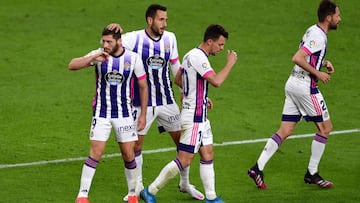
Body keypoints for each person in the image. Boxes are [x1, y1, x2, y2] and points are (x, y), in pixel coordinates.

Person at [107, 4, 204, 201]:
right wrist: (113, 31)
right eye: (161, 20)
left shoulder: (170, 38)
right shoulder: (135, 38)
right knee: (135, 146)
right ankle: (137, 187)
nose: (164, 24)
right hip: (141, 103)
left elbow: (176, 67)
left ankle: (184, 183)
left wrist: (184, 91)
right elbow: (111, 45)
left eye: (166, 20)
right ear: (150, 20)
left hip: (167, 101)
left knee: (183, 143)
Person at [248, 0, 341, 190]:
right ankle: (312, 173)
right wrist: (318, 73)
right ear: (329, 17)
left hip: (292, 83)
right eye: (338, 16)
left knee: (286, 129)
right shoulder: (319, 36)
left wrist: (323, 63)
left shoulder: (312, 30)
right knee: (325, 127)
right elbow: (297, 58)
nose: (340, 19)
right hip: (305, 86)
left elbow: (308, 56)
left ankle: (258, 167)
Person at [141, 24, 238, 203]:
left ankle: (211, 197)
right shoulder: (198, 57)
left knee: (208, 154)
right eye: (220, 45)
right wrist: (230, 63)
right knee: (184, 160)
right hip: (193, 118)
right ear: (210, 41)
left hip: (201, 116)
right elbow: (216, 81)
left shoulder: (190, 55)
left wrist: (199, 96)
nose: (221, 48)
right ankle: (150, 190)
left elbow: (178, 79)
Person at [68, 27, 148, 203]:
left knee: (128, 154)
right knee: (96, 151)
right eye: (103, 41)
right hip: (102, 113)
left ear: (119, 42)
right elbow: (72, 65)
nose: (105, 45)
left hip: (125, 114)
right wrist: (92, 58)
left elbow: (143, 86)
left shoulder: (133, 58)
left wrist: (143, 114)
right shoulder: (98, 55)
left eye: (109, 42)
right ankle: (82, 195)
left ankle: (132, 193)